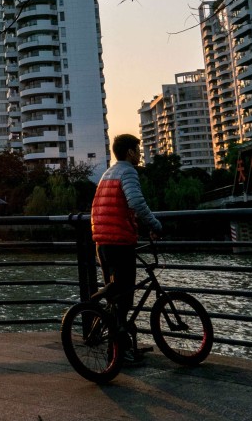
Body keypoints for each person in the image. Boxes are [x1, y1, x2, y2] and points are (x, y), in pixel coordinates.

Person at [90, 134, 162, 361]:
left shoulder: (107, 174)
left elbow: (115, 207)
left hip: (101, 241)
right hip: (119, 241)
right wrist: (155, 224)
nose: (139, 154)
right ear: (130, 152)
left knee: (117, 299)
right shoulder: (128, 171)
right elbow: (136, 202)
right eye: (137, 149)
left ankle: (119, 349)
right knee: (124, 296)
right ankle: (97, 301)